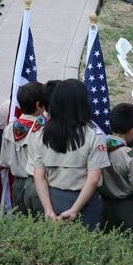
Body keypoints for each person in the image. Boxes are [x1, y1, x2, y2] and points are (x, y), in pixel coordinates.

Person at [31, 78, 110, 228]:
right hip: (84, 202)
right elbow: (93, 179)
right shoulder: (94, 135)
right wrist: (75, 210)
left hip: (52, 199)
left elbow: (39, 175)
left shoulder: (42, 133)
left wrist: (48, 209)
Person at [99, 102, 133, 242]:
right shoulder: (130, 156)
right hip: (128, 210)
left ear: (110, 126)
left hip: (104, 206)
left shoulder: (99, 147)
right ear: (132, 130)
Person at [0, 80, 47, 214]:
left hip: (17, 185)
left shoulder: (9, 128)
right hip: (37, 185)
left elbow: (4, 161)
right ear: (39, 105)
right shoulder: (41, 130)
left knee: (20, 223)